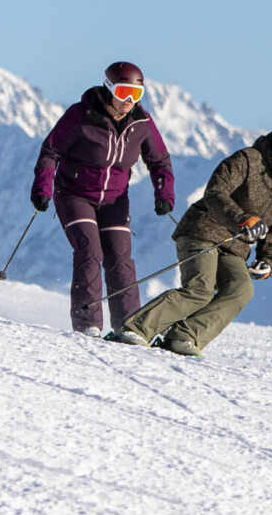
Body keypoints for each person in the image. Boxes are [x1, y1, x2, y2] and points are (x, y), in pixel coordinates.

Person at [112, 110, 272, 357]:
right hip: (202, 230)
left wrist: (267, 260)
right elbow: (215, 193)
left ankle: (184, 336)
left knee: (241, 289)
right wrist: (242, 219)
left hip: (234, 247)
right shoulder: (249, 160)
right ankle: (135, 329)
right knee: (199, 290)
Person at [32, 61, 176, 336]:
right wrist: (42, 189)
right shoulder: (81, 116)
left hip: (115, 200)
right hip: (74, 195)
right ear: (109, 89)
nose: (129, 101)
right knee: (90, 251)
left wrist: (164, 192)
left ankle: (128, 326)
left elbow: (160, 161)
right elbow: (50, 151)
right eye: (123, 92)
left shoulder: (142, 124)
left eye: (136, 95)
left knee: (120, 258)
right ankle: (88, 324)